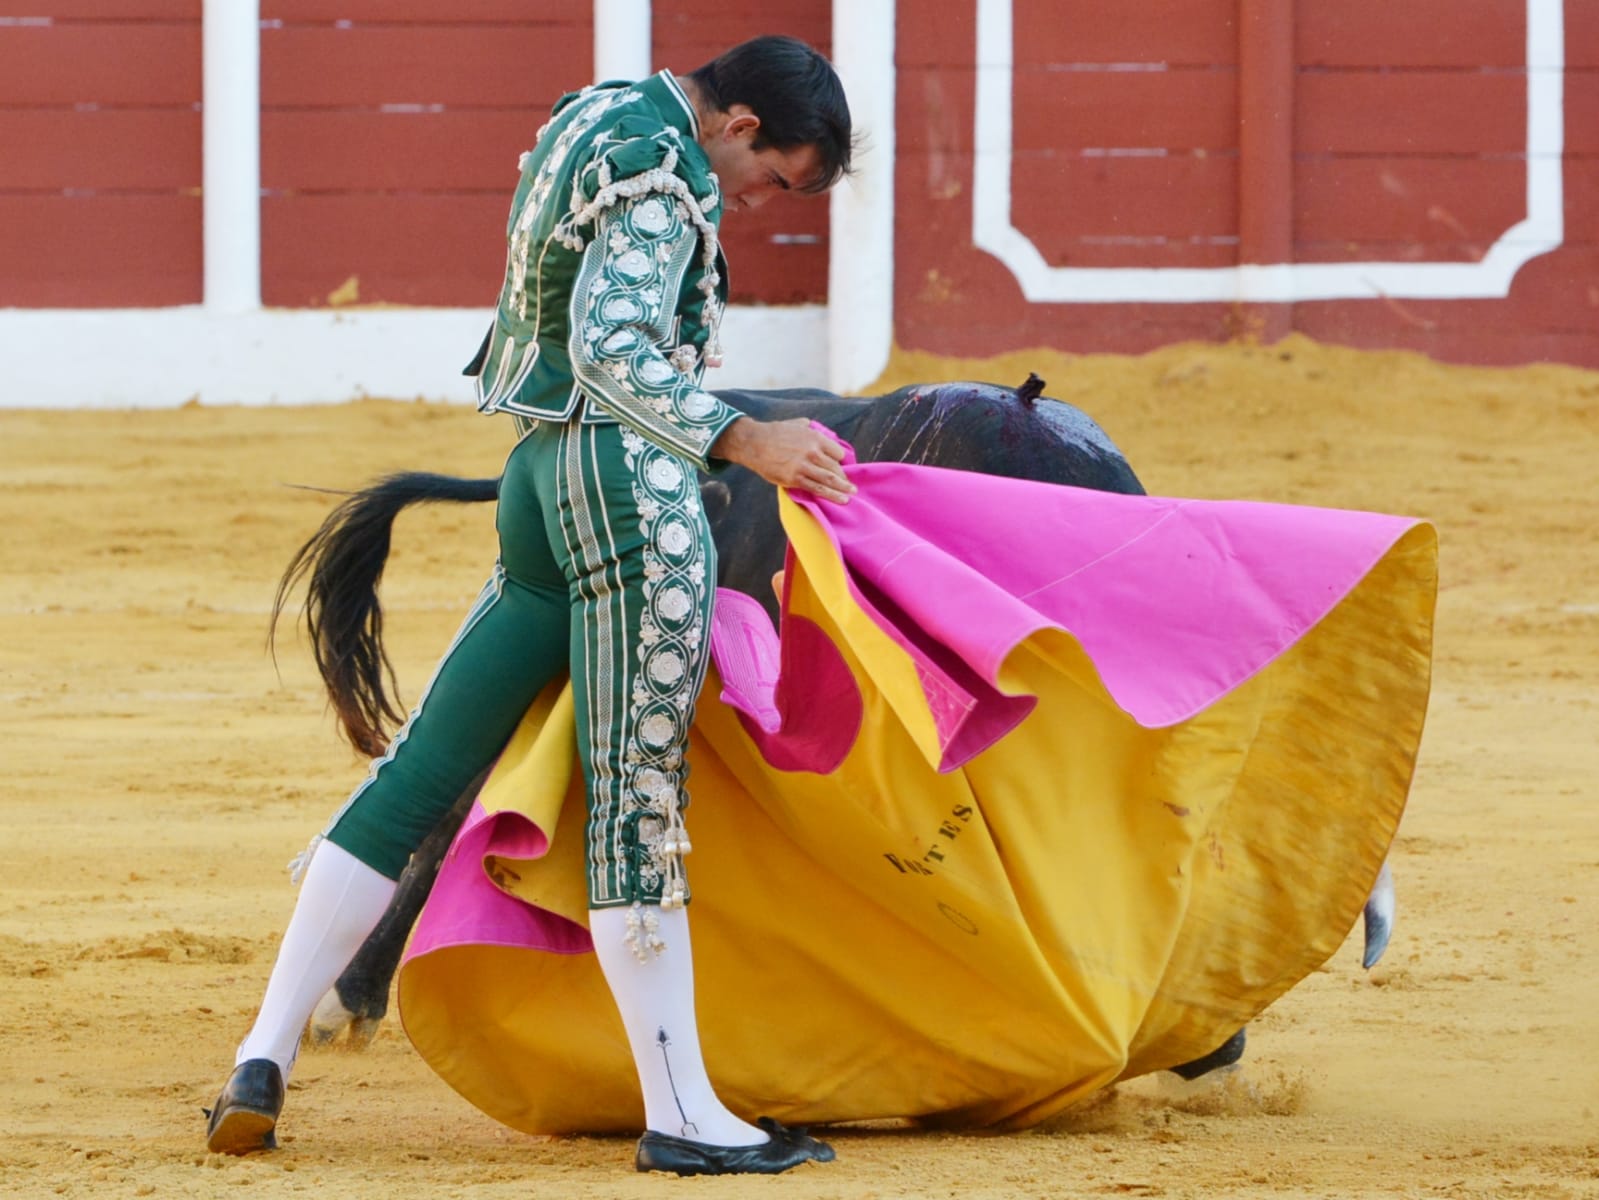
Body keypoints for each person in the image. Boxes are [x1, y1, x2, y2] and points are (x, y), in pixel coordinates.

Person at [203, 35, 856, 1177]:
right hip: (628, 494)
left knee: (415, 775)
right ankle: (687, 1115)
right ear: (741, 125)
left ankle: (262, 1054)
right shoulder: (668, 171)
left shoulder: (592, 118)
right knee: (635, 805)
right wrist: (748, 437)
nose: (754, 204)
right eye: (774, 180)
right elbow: (614, 352)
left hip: (536, 481)